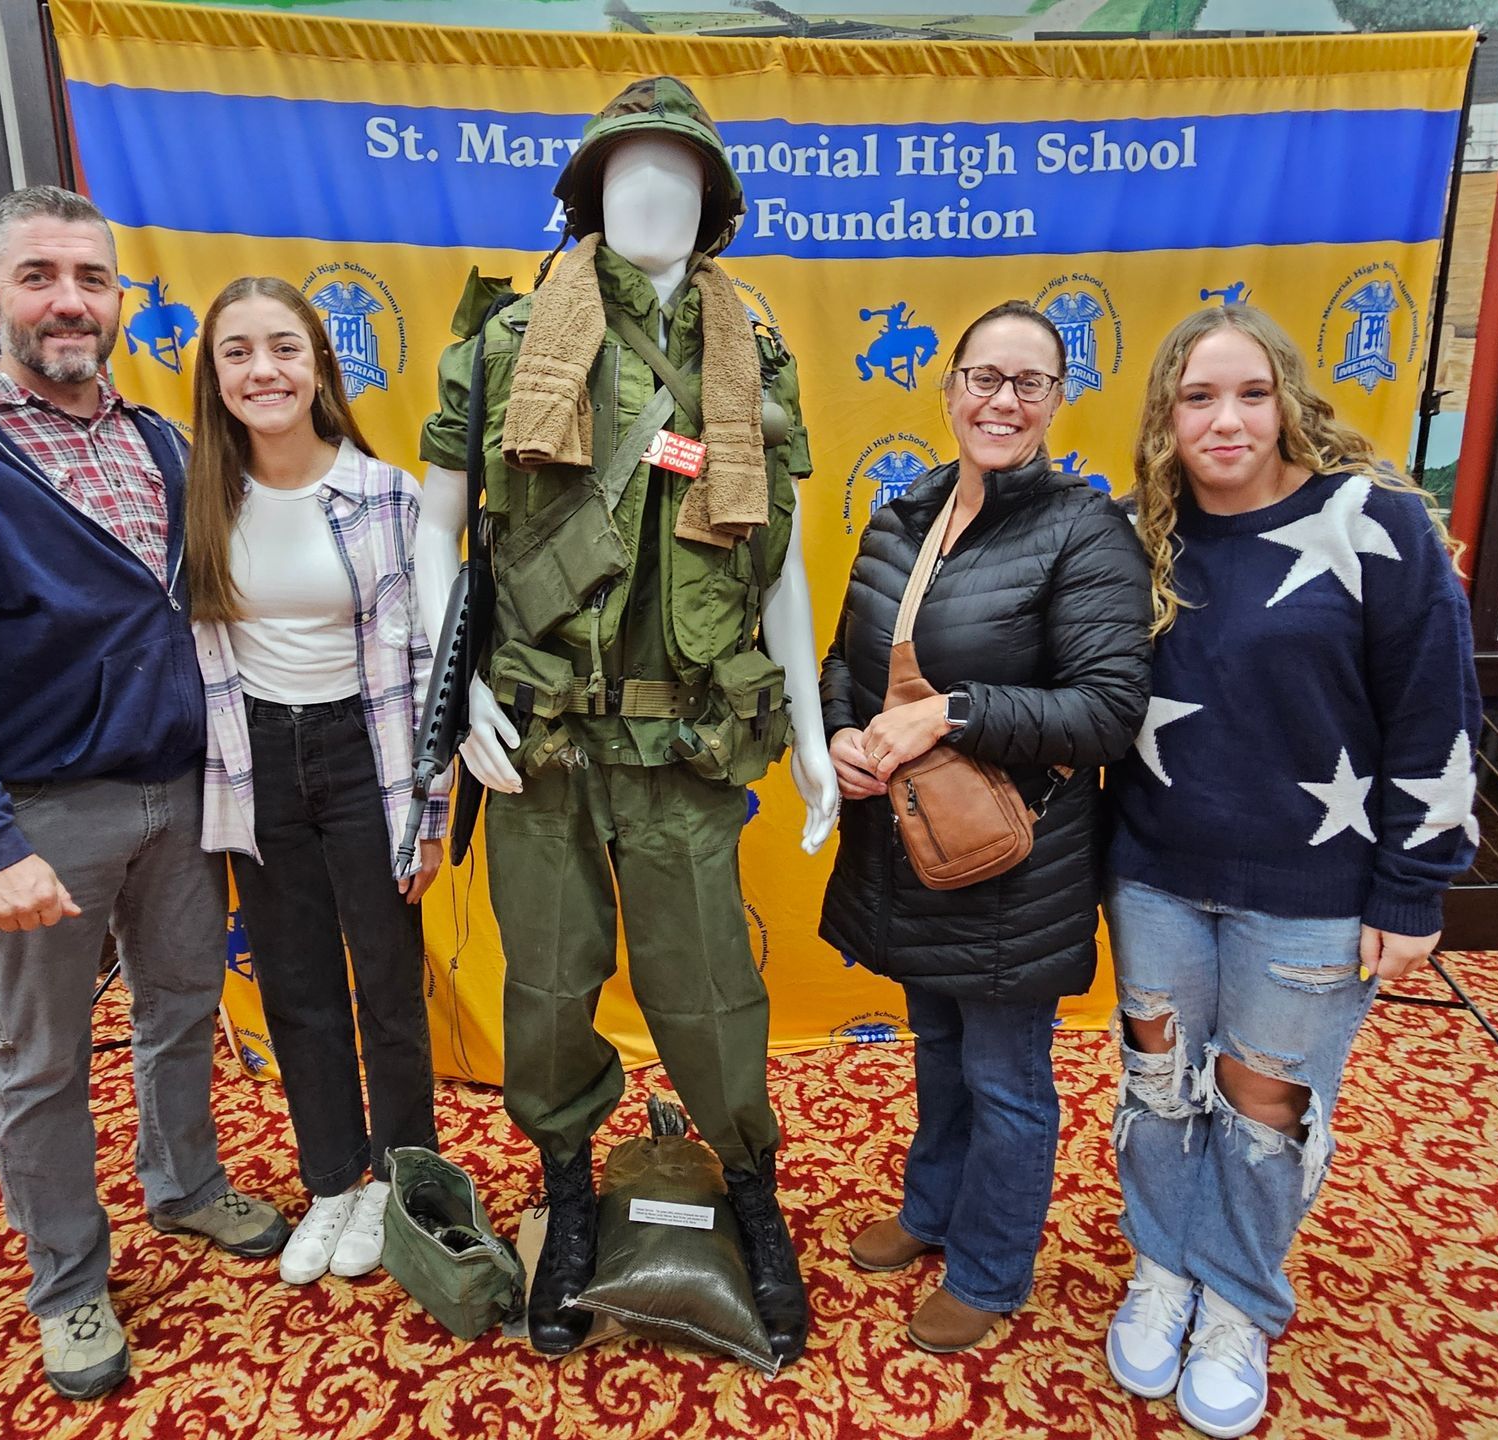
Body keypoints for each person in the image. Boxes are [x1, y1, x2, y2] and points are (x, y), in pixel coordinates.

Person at [0, 186, 285, 1402]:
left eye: (90, 276)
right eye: (39, 276)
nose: (68, 299)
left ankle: (184, 1187)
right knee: (40, 1063)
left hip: (182, 798)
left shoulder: (163, 442)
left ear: (122, 299)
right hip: (39, 815)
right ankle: (69, 1279)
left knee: (184, 1012)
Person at [415, 77, 839, 1364]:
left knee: (712, 993)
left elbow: (786, 562)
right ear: (584, 194)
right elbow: (438, 534)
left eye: (681, 176)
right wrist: (463, 686)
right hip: (539, 738)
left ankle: (752, 1193)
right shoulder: (498, 348)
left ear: (714, 209)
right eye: (625, 171)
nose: (652, 192)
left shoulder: (753, 355)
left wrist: (812, 734)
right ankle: (566, 1187)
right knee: (544, 991)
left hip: (689, 743)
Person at [1102, 305, 1480, 1438]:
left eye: (1249, 394)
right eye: (1198, 398)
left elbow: (1436, 718)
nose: (1226, 419)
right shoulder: (1136, 540)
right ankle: (1164, 1267)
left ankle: (1237, 1300)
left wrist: (1417, 885)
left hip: (1314, 890)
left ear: (1288, 401)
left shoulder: (1382, 525)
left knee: (1264, 1110)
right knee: (1159, 1092)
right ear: (1166, 419)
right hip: (1157, 873)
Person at [819, 300, 1152, 1354]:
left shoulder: (1083, 530)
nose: (1002, 400)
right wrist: (839, 734)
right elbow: (845, 661)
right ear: (950, 385)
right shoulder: (902, 516)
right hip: (915, 849)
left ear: (1059, 401)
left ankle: (993, 1266)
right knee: (937, 1047)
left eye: (1030, 383)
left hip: (1020, 855)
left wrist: (952, 713)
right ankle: (931, 1209)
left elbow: (1108, 709)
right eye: (985, 377)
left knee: (1007, 1076)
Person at [185, 276, 446, 1288]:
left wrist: (429, 811)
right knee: (295, 985)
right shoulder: (199, 495)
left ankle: (403, 1181)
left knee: (386, 982)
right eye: (239, 353)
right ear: (215, 379)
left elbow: (429, 662)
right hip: (254, 757)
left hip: (364, 757)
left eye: (284, 348)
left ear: (320, 368)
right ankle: (334, 1181)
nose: (264, 370)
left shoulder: (388, 495)